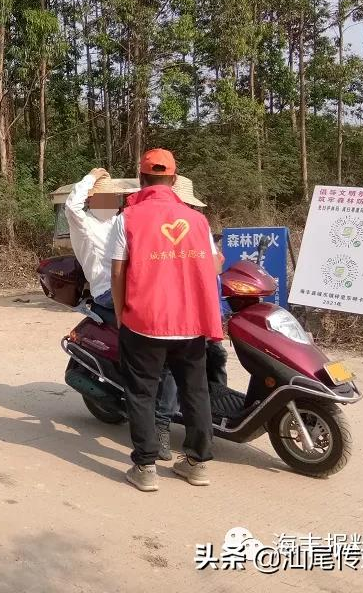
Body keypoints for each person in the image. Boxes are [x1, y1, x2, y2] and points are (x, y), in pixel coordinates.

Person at [110, 149, 224, 492]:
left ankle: (145, 468)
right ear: (174, 180)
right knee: (195, 389)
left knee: (142, 391)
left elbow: (118, 271)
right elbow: (214, 265)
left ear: (141, 179)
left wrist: (120, 314)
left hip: (144, 320)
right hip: (190, 320)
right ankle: (197, 464)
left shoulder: (126, 218)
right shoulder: (197, 220)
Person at [152, 176, 229, 461]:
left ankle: (208, 424)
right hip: (177, 312)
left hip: (200, 313)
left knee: (215, 360)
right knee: (172, 372)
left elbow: (214, 265)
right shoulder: (165, 226)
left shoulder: (197, 223)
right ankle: (162, 427)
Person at [63, 167, 136, 327]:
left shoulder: (116, 222)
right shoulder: (84, 224)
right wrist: (90, 178)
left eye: (112, 198)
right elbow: (71, 206)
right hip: (107, 291)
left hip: (126, 285)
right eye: (104, 198)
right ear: (90, 200)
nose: (110, 202)